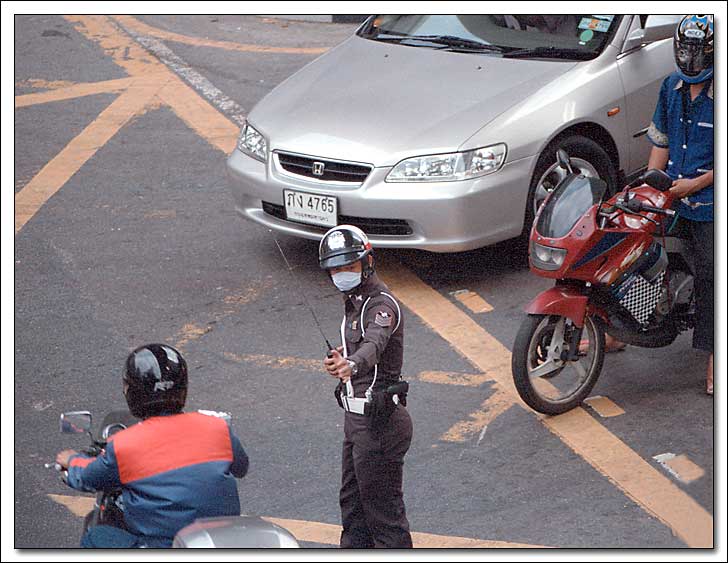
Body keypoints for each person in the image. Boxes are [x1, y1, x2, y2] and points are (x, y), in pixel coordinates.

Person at [55, 344, 249, 548]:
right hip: (221, 540)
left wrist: (71, 461)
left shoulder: (124, 445)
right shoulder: (217, 427)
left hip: (164, 545)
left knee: (96, 537)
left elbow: (89, 477)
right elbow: (241, 467)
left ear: (131, 391)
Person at [319, 225, 413, 548]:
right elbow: (358, 344)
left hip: (380, 424)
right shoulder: (353, 301)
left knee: (384, 519)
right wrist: (341, 359)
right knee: (353, 509)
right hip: (356, 423)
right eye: (336, 268)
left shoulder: (381, 305)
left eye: (350, 265)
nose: (342, 273)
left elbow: (375, 342)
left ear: (367, 262)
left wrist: (352, 363)